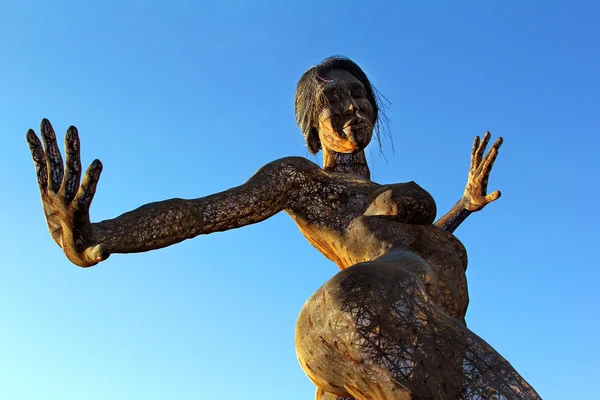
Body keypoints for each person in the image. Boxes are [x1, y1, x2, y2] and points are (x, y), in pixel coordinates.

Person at [26, 56, 540, 399]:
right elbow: (201, 212)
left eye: (358, 94)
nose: (350, 106)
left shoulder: (389, 196)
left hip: (409, 330)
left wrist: (465, 207)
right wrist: (101, 236)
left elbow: (418, 243)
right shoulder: (303, 181)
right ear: (311, 125)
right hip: (359, 309)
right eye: (331, 99)